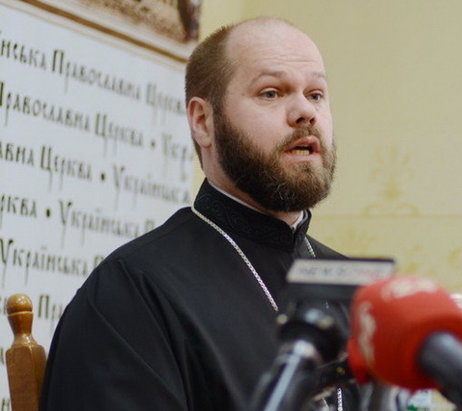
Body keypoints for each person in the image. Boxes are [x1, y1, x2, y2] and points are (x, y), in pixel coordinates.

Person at [40, 17, 351, 410]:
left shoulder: (351, 288)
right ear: (203, 122)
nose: (305, 112)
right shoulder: (134, 292)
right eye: (272, 93)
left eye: (316, 94)